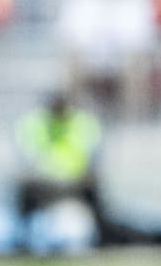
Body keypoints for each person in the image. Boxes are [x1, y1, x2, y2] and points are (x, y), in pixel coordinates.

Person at [12, 92, 110, 250]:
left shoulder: (83, 123)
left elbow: (93, 155)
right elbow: (27, 156)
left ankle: (101, 236)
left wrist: (84, 174)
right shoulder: (35, 124)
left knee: (96, 195)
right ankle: (22, 237)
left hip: (77, 181)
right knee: (25, 195)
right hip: (43, 182)